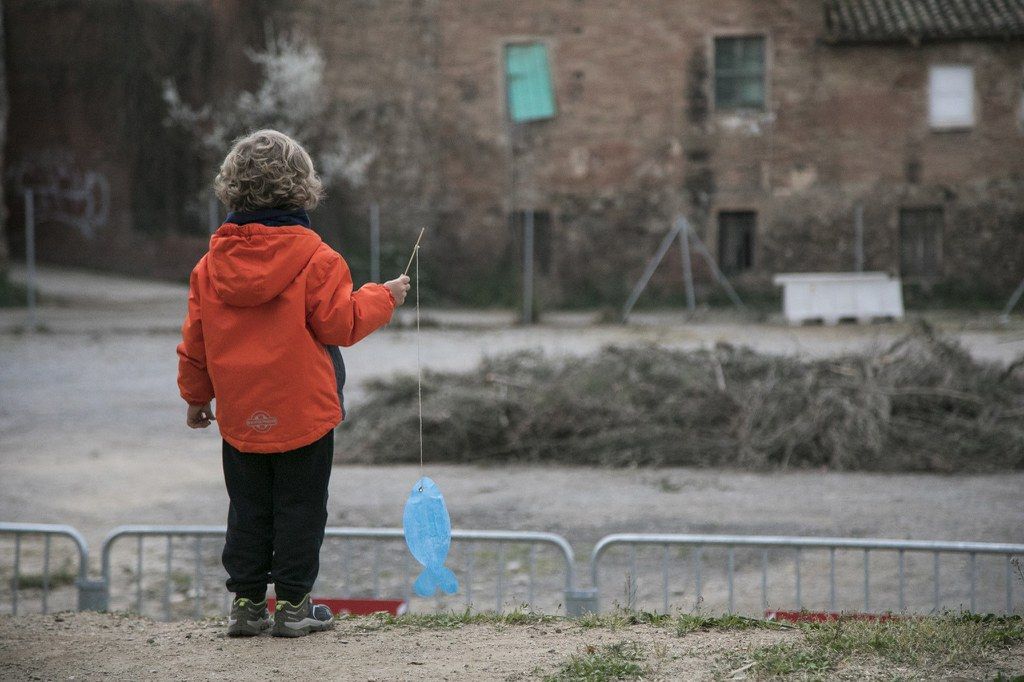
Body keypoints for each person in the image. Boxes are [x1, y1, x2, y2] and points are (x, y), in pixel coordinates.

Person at [176, 129, 410, 637]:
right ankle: (294, 607)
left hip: (241, 418)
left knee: (248, 509)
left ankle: (246, 605)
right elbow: (340, 325)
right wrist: (384, 296)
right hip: (305, 416)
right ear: (303, 189)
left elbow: (195, 342)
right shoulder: (318, 259)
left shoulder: (208, 267)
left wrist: (197, 398)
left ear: (231, 189)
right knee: (300, 510)